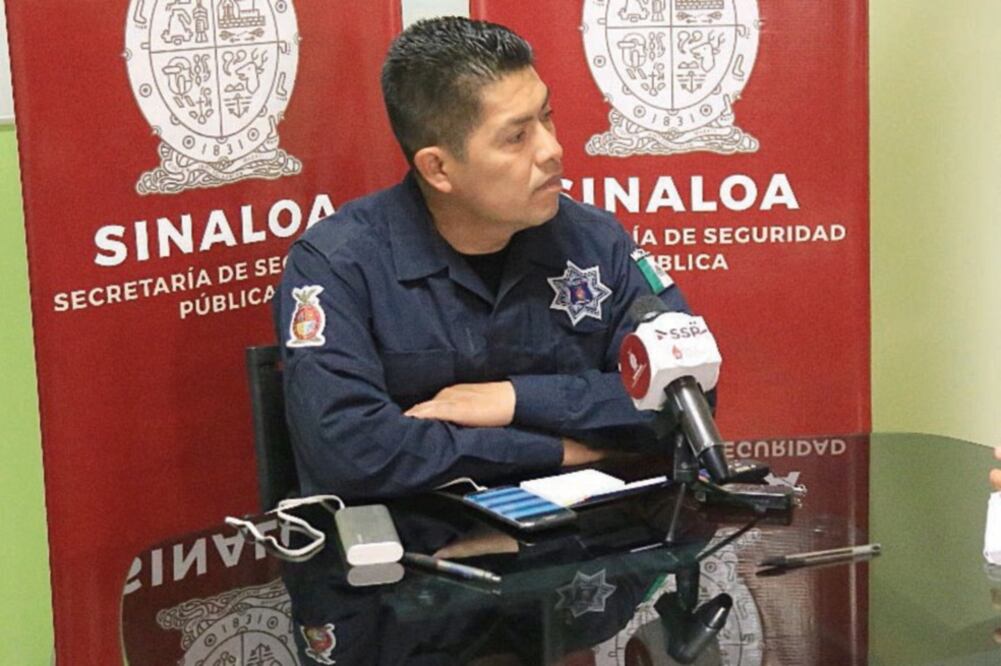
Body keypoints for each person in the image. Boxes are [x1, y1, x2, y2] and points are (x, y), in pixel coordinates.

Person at [274, 17, 695, 499]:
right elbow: (351, 452)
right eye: (517, 137)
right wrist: (553, 449)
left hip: (585, 554)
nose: (553, 149)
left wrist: (515, 399)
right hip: (415, 557)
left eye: (547, 116)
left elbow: (686, 395)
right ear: (438, 168)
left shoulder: (596, 241)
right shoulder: (336, 266)